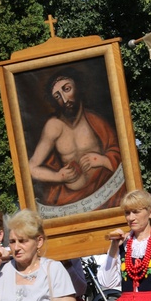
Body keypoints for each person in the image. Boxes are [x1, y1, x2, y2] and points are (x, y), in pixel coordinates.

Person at [28, 68, 126, 211]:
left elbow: (120, 153)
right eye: (57, 96)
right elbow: (31, 168)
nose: (64, 99)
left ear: (78, 87)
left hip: (106, 194)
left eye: (67, 89)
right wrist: (58, 176)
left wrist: (102, 160)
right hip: (70, 202)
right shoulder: (54, 126)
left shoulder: (95, 120)